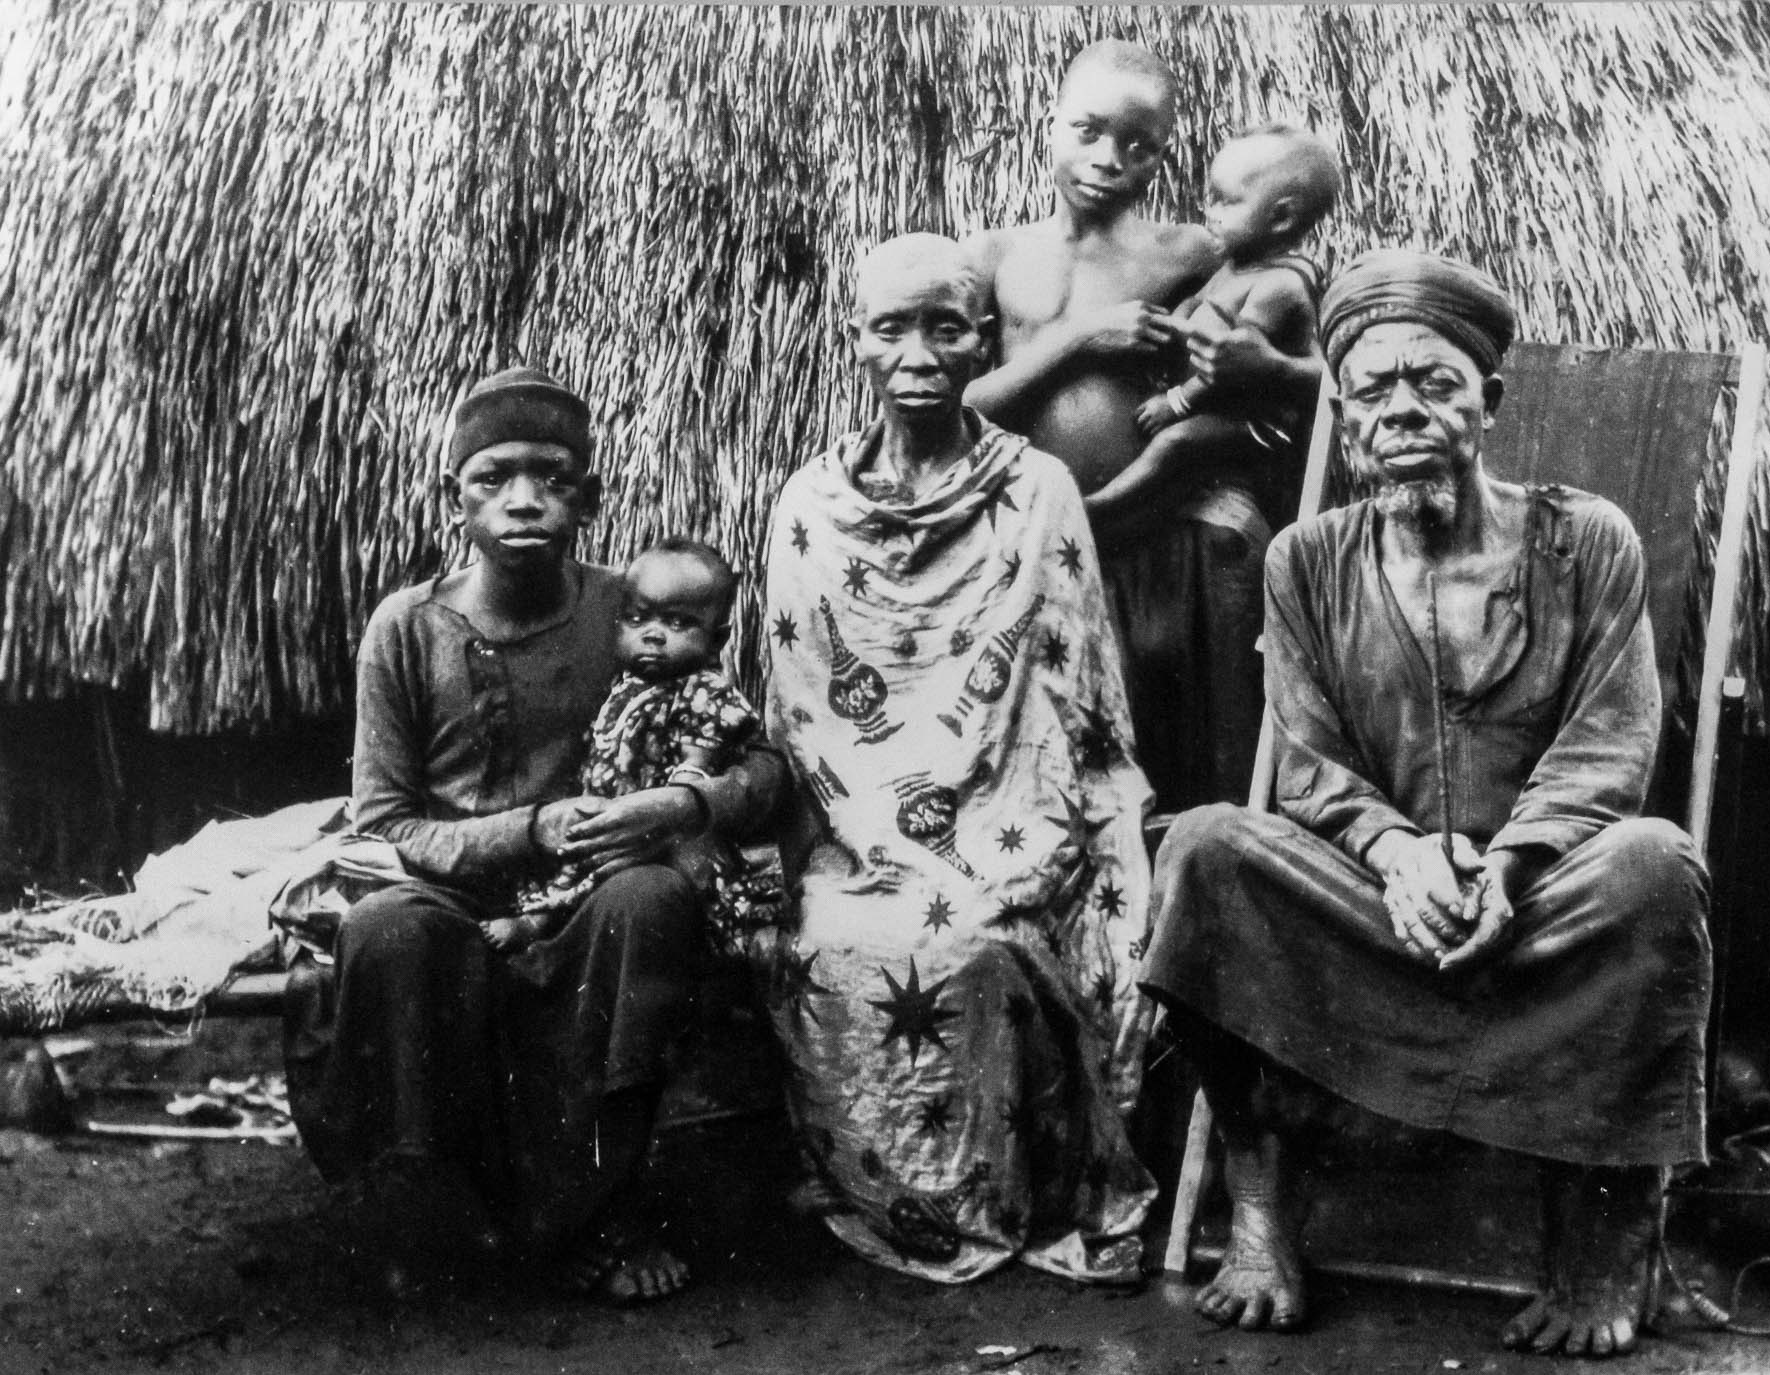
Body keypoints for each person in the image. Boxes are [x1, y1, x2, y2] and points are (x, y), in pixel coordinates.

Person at [1140, 251, 1713, 1357]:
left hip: (1540, 903)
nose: (1402, 408)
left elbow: (1609, 744)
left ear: (1486, 403)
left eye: (1434, 383)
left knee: (1650, 864)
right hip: (1371, 900)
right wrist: (1398, 853)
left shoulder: (1584, 538)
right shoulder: (1304, 560)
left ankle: (1596, 1235)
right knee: (1205, 849)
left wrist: (1503, 869)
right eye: (1372, 388)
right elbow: (1304, 761)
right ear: (1342, 412)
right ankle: (1261, 1211)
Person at [283, 368, 785, 1304]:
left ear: (588, 497)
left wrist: (682, 807)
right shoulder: (408, 626)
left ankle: (593, 1212)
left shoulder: (635, 611)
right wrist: (532, 826)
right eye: (493, 478)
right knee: (386, 932)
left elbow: (759, 763)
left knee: (653, 897)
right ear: (456, 498)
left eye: (552, 478)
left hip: (590, 893)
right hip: (452, 890)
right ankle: (428, 1212)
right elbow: (384, 823)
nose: (523, 500)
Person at [758, 233, 1156, 1284]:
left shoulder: (1037, 491)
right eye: (892, 326)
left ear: (981, 337)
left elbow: (1072, 700)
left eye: (945, 325)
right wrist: (877, 838)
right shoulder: (807, 506)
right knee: (832, 935)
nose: (919, 350)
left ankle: (1010, 1195)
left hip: (1006, 812)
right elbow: (805, 716)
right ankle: (867, 1186)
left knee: (984, 933)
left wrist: (1007, 830)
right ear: (856, 341)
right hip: (860, 832)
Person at [964, 41, 1317, 812]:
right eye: (1087, 131)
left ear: (1161, 156)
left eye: (1138, 146)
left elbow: (1299, 348)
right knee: (1052, 763)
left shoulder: (1191, 251)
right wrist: (1081, 341)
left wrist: (1254, 361)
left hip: (1166, 536)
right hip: (1044, 538)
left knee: (1182, 746)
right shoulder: (994, 255)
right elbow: (961, 412)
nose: (1107, 159)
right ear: (1048, 124)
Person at [480, 538, 775, 960]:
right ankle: (541, 923)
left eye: (677, 624)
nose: (653, 635)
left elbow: (700, 754)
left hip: (664, 823)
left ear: (717, 639)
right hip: (612, 811)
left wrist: (680, 794)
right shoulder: (624, 687)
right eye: (637, 619)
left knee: (683, 882)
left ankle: (738, 943)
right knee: (580, 859)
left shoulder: (701, 689)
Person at [1112, 123, 1334, 530]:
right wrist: (1174, 320)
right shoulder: (1238, 264)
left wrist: (1177, 402)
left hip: (1255, 426)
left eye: (1227, 202)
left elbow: (1227, 363)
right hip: (1219, 409)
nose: (1210, 213)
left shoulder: (1278, 286)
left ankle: (1100, 505)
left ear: (1281, 217)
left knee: (1174, 443)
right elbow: (1197, 306)